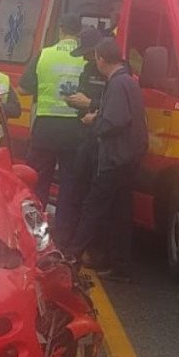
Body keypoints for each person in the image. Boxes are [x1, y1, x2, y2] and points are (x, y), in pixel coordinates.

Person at [66, 38, 148, 283]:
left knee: (93, 208)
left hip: (114, 158)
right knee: (120, 214)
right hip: (129, 157)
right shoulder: (128, 80)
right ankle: (121, 266)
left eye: (96, 59)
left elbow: (115, 120)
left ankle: (71, 257)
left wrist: (95, 122)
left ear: (101, 59)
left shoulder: (117, 83)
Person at [19, 14, 86, 208]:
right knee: (69, 184)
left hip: (46, 128)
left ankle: (36, 225)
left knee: (37, 180)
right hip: (75, 128)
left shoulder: (44, 54)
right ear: (79, 33)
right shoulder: (86, 57)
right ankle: (64, 230)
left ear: (61, 30)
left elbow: (23, 88)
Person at [56, 26, 108, 259]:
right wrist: (77, 106)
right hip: (85, 137)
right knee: (76, 191)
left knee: (95, 199)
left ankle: (90, 249)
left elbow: (112, 104)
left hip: (103, 143)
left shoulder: (118, 72)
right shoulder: (88, 70)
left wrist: (91, 106)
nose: (87, 58)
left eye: (89, 53)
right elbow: (83, 96)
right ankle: (67, 242)